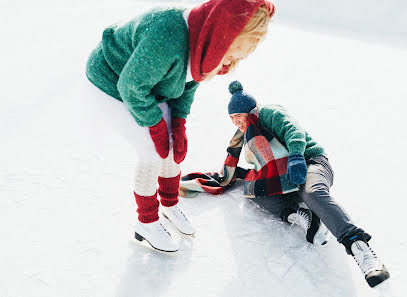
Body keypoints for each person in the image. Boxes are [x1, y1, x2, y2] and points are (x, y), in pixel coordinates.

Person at [85, 0, 275, 253]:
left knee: (172, 149)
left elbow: (187, 85)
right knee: (152, 151)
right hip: (112, 79)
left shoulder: (204, 45)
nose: (229, 64)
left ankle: (170, 205)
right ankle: (147, 223)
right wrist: (156, 126)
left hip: (150, 83)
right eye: (231, 53)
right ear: (222, 34)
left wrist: (178, 122)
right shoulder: (168, 36)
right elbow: (131, 86)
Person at [180, 81, 390, 287]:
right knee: (254, 190)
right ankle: (299, 215)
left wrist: (297, 157)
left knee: (311, 193)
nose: (236, 122)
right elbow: (263, 166)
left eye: (238, 116)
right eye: (232, 118)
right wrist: (233, 175)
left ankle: (361, 249)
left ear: (249, 110)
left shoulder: (269, 113)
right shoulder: (246, 134)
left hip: (310, 162)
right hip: (285, 177)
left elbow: (294, 131)